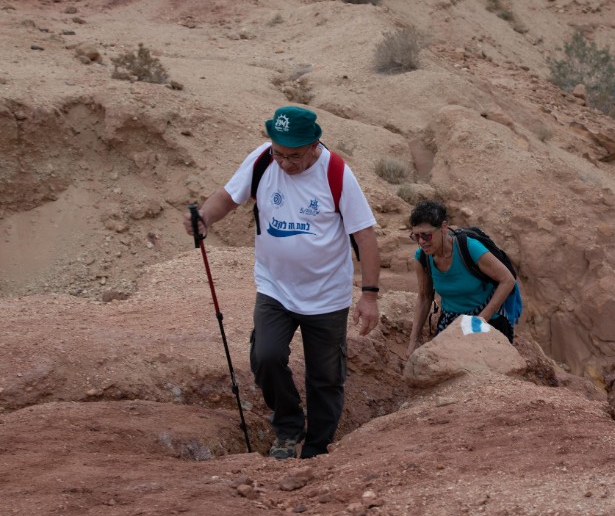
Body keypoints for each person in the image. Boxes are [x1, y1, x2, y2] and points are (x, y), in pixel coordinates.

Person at [183, 106, 380, 460]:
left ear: (314, 145)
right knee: (266, 356)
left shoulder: (336, 173)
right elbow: (228, 198)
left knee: (325, 377)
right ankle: (288, 429)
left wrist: (369, 296)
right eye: (279, 153)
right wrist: (204, 220)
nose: (285, 163)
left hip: (327, 296)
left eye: (294, 156)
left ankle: (317, 450)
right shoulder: (262, 160)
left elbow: (364, 235)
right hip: (275, 287)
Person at [406, 200, 517, 358]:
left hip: (488, 320)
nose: (422, 241)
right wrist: (413, 341)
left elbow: (507, 280)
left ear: (444, 227)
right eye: (416, 236)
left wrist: (480, 321)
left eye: (426, 235)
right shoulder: (422, 258)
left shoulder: (469, 247)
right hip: (450, 324)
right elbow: (425, 297)